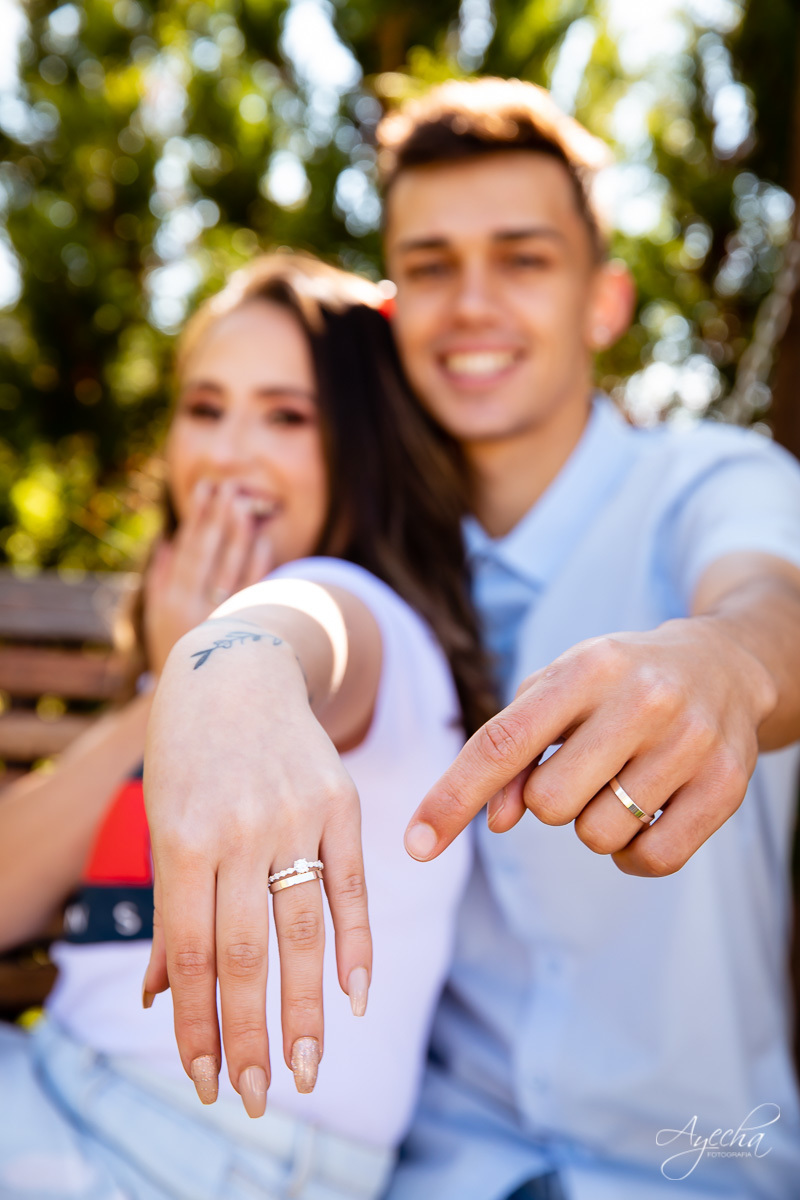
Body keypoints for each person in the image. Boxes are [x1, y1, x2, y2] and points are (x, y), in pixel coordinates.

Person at [144, 80, 800, 1200]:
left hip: (699, 1166)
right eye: (431, 265)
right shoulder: (363, 545)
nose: (472, 304)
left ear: (602, 303)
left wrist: (724, 666)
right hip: (428, 1167)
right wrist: (215, 667)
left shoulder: (706, 483)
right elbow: (297, 624)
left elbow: (771, 606)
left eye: (523, 258)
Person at [0, 252, 495, 1200]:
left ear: (365, 447)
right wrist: (167, 684)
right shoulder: (187, 668)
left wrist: (237, 658)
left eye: (287, 415)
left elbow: (309, 632)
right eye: (204, 407)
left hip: (187, 1156)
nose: (228, 452)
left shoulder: (366, 618)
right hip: (64, 1093)